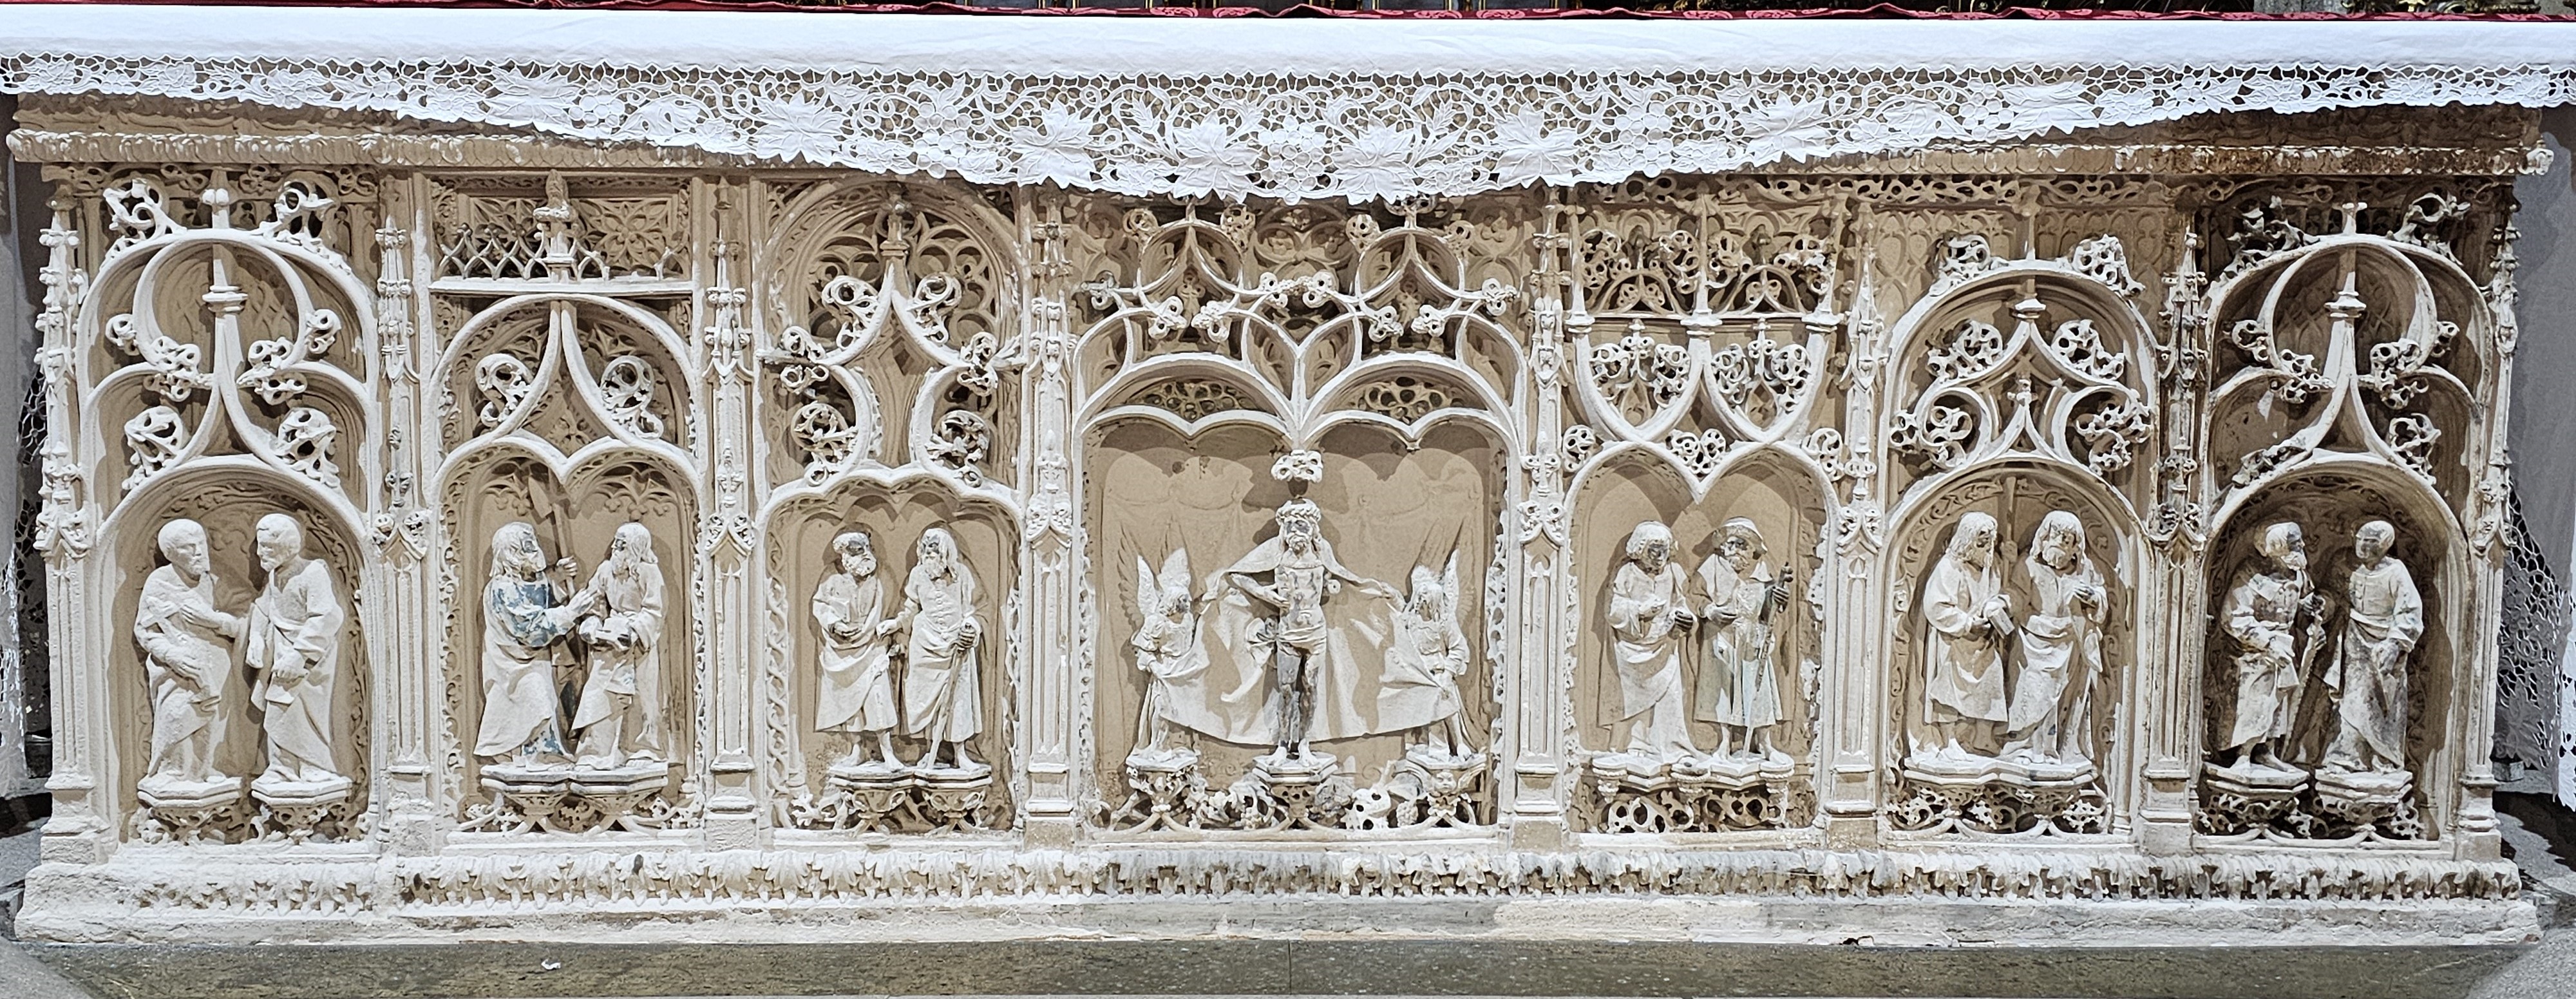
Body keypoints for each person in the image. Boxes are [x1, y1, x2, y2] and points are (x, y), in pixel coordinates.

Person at [1214, 499, 1394, 761]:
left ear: (1312, 528)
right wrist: (1264, 593)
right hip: (1288, 633)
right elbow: (1237, 574)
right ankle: (1282, 745)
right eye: (1291, 526)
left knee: (1310, 687)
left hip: (1315, 633)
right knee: (1286, 690)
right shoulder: (1277, 551)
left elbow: (1342, 575)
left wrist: (1364, 589)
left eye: (1302, 525)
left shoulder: (1322, 552)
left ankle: (1304, 743)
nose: (1296, 532)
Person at [474, 522, 594, 766]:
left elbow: (538, 592)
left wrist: (557, 576)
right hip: (514, 666)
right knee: (537, 702)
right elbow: (531, 629)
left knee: (548, 701)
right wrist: (571, 612)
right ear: (513, 553)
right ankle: (525, 755)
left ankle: (543, 754)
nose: (536, 550)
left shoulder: (526, 580)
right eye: (528, 546)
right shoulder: (502, 588)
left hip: (536, 660)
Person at [135, 519, 241, 791]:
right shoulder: (160, 582)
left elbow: (247, 617)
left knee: (212, 718)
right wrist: (172, 655)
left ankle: (207, 768)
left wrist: (215, 620)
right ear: (171, 554)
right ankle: (173, 771)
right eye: (188, 547)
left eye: (201, 544)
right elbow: (145, 630)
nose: (199, 552)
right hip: (176, 668)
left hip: (216, 662)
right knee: (176, 714)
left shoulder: (218, 579)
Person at [245, 513, 346, 792]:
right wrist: (256, 638)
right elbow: (263, 607)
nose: (259, 552)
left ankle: (314, 766)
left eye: (267, 547)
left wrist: (299, 655)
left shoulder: (312, 573)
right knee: (278, 710)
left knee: (302, 712)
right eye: (260, 545)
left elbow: (327, 616)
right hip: (281, 654)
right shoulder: (275, 574)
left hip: (309, 659)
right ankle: (282, 767)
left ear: (286, 547)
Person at [2003, 511, 2107, 765]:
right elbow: (2016, 595)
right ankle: (2022, 748)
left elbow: (2101, 599)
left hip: (2069, 644)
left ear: (2076, 546)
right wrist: (2002, 603)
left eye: (2067, 540)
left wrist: (2093, 597)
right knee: (2030, 696)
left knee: (2060, 700)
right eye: (2055, 537)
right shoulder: (2028, 565)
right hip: (2032, 641)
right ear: (2044, 538)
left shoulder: (2085, 570)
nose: (2060, 543)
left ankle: (2051, 751)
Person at [2219, 522, 2323, 772]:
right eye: (2295, 543)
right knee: (2256, 702)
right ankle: (2243, 754)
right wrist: (2267, 642)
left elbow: (2303, 599)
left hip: (2285, 646)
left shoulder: (2298, 573)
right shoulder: (2251, 574)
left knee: (2278, 702)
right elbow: (2234, 617)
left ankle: (2267, 751)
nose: (2303, 546)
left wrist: (2310, 606)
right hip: (2253, 652)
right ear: (2278, 548)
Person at [2324, 520, 2422, 777]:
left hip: (2385, 645)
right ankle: (2347, 756)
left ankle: (2382, 758)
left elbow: (2410, 612)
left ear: (2386, 545)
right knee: (2353, 696)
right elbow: (2333, 595)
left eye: (2372, 542)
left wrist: (2395, 643)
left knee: (2382, 703)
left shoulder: (2396, 572)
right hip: (2354, 639)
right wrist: (2323, 605)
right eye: (2361, 539)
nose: (2364, 546)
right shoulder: (2345, 564)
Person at [888, 528, 984, 770]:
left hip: (956, 644)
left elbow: (973, 609)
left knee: (958, 699)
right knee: (925, 697)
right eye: (926, 548)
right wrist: (897, 625)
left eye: (935, 548)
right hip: (924, 644)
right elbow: (911, 607)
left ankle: (960, 753)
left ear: (946, 551)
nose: (929, 553)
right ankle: (931, 750)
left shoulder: (961, 574)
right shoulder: (918, 574)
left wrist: (970, 628)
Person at [1920, 511, 2013, 759]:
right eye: (1981, 539)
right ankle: (1948, 740)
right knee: (1948, 688)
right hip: (1954, 640)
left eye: (1989, 540)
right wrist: (1968, 623)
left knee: (1992, 678)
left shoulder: (1990, 566)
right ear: (1967, 538)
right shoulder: (1949, 567)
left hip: (1983, 641)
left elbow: (1999, 593)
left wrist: (1996, 607)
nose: (1986, 544)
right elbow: (1936, 606)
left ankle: (1983, 737)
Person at [573, 522, 665, 770]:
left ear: (635, 547)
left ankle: (642, 749)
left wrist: (634, 632)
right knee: (599, 695)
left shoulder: (648, 572)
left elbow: (655, 610)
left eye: (622, 544)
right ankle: (596, 751)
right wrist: (592, 625)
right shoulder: (605, 570)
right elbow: (593, 603)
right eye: (615, 542)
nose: (615, 547)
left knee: (642, 698)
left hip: (639, 645)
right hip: (609, 645)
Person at [1696, 519, 1790, 761]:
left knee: (1759, 689)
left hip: (1752, 639)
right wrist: (1710, 611)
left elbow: (1768, 610)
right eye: (1731, 544)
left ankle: (1764, 743)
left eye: (1742, 545)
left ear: (1752, 549)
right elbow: (1695, 596)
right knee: (1722, 691)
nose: (1735, 550)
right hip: (1722, 637)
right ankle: (1724, 742)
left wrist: (1776, 598)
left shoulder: (1762, 572)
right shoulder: (1711, 567)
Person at [1606, 520, 1696, 762]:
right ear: (1640, 550)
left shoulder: (1674, 572)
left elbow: (1682, 604)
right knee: (1636, 698)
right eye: (1653, 550)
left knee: (1672, 695)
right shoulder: (1627, 572)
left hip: (1666, 644)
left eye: (1663, 550)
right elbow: (1614, 608)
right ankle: (1636, 744)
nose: (1659, 556)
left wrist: (1685, 619)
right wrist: (1639, 611)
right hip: (1633, 648)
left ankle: (1673, 747)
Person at [813, 530, 898, 769]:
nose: (861, 556)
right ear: (844, 555)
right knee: (848, 700)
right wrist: (835, 624)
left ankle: (888, 752)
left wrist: (893, 632)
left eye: (863, 550)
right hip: (841, 647)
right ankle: (856, 750)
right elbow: (820, 605)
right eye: (853, 552)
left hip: (873, 644)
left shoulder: (882, 575)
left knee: (878, 697)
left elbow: (895, 607)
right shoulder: (831, 575)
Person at [1383, 555, 1471, 758]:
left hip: (1436, 670)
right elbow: (1402, 615)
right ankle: (1415, 744)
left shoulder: (1444, 622)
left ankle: (1450, 746)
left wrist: (1448, 673)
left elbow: (1458, 648)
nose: (1419, 603)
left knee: (1440, 696)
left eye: (1424, 600)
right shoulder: (1413, 617)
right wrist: (1392, 596)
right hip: (1415, 670)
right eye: (1419, 598)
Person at [1129, 550, 1204, 757]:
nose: (1188, 604)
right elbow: (1143, 649)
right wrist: (1156, 667)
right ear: (1174, 602)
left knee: (1189, 711)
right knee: (1162, 709)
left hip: (1185, 670)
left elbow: (1199, 618)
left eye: (1188, 600)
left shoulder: (1187, 619)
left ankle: (1186, 745)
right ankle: (1158, 746)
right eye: (1184, 601)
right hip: (1166, 669)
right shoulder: (1158, 623)